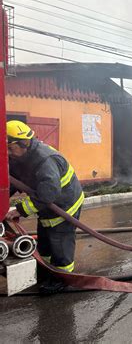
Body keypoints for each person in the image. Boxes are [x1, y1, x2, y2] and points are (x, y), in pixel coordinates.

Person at [4, 120, 84, 294]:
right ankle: (47, 269)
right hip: (48, 204)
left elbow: (48, 194)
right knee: (45, 240)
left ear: (24, 143)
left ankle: (62, 278)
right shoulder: (20, 156)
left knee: (60, 242)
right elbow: (14, 181)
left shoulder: (44, 160)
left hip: (65, 205)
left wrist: (20, 210)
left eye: (10, 148)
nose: (8, 153)